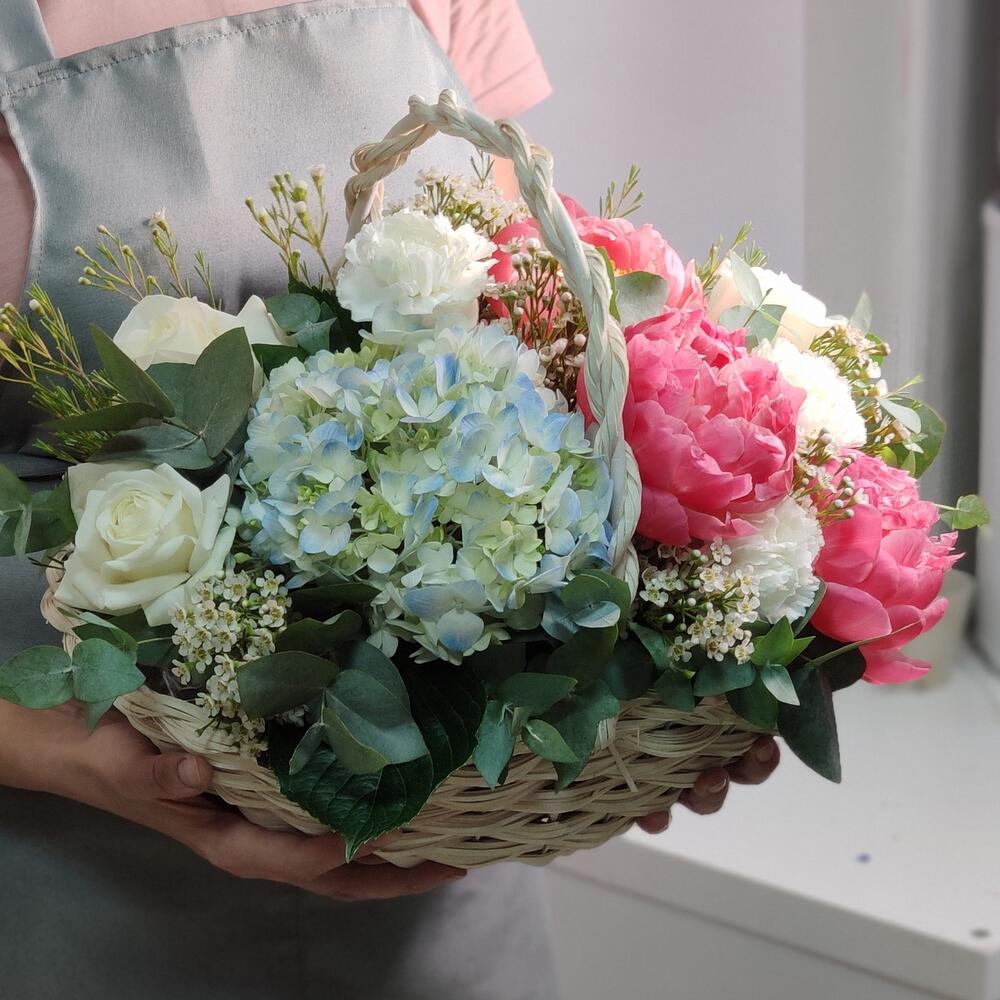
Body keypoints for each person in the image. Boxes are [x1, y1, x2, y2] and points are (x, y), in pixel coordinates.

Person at [0, 2, 779, 997]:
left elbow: (529, 307)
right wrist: (73, 761)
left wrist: (636, 706)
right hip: (79, 873)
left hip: (443, 878)